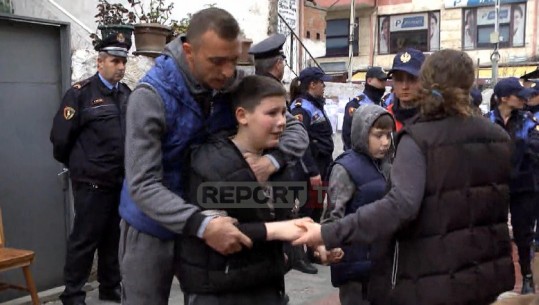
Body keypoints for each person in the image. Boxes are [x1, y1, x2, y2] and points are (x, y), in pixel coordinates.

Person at [118, 8, 309, 305]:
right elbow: (142, 185)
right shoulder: (150, 97)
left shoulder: (233, 85)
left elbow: (295, 130)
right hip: (152, 226)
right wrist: (202, 225)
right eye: (217, 61)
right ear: (188, 51)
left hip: (214, 223)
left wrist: (272, 162)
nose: (227, 72)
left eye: (233, 60)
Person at [294, 49, 515, 305]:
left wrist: (329, 233)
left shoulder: (419, 137)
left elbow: (400, 205)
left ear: (427, 83)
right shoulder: (498, 137)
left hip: (436, 277)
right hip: (488, 275)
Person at [179, 75, 307, 305]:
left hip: (267, 288)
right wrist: (279, 230)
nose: (282, 122)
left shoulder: (278, 164)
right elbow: (223, 236)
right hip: (220, 293)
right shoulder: (210, 164)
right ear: (242, 115)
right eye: (272, 113)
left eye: (283, 112)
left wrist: (311, 247)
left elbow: (284, 217)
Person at [50, 32, 132, 305]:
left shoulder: (126, 94)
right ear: (100, 62)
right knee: (84, 241)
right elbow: (60, 139)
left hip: (117, 182)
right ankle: (72, 294)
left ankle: (110, 287)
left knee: (112, 239)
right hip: (91, 183)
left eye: (123, 61)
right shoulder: (80, 94)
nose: (121, 66)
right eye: (115, 60)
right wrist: (79, 167)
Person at [250, 33, 315, 277]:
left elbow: (297, 133)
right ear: (278, 64)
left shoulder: (267, 89)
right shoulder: (263, 90)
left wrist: (274, 159)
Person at [324, 104, 395, 305]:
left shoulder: (386, 166)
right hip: (354, 264)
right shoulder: (345, 168)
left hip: (381, 262)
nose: (384, 142)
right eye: (378, 135)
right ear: (362, 133)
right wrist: (331, 246)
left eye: (388, 136)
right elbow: (332, 214)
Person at [487, 77, 539, 294]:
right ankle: (497, 276)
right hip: (494, 187)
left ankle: (527, 275)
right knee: (493, 232)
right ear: (503, 99)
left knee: (523, 234)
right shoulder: (486, 121)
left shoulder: (528, 120)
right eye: (519, 96)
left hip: (523, 188)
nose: (523, 100)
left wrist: (523, 149)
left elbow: (536, 147)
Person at [288, 67, 334, 274]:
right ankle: (298, 257)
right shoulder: (300, 107)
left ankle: (311, 252)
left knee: (316, 209)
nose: (324, 86)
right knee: (304, 212)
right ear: (312, 84)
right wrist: (312, 171)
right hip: (309, 170)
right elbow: (301, 143)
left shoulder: (315, 105)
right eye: (321, 82)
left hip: (321, 166)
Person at [342, 67, 388, 151]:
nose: (383, 84)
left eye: (385, 81)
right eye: (380, 80)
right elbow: (348, 136)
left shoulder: (383, 104)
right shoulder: (356, 105)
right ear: (369, 81)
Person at [386, 48, 425, 131]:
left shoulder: (435, 117)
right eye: (399, 79)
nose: (405, 86)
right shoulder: (385, 116)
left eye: (412, 79)